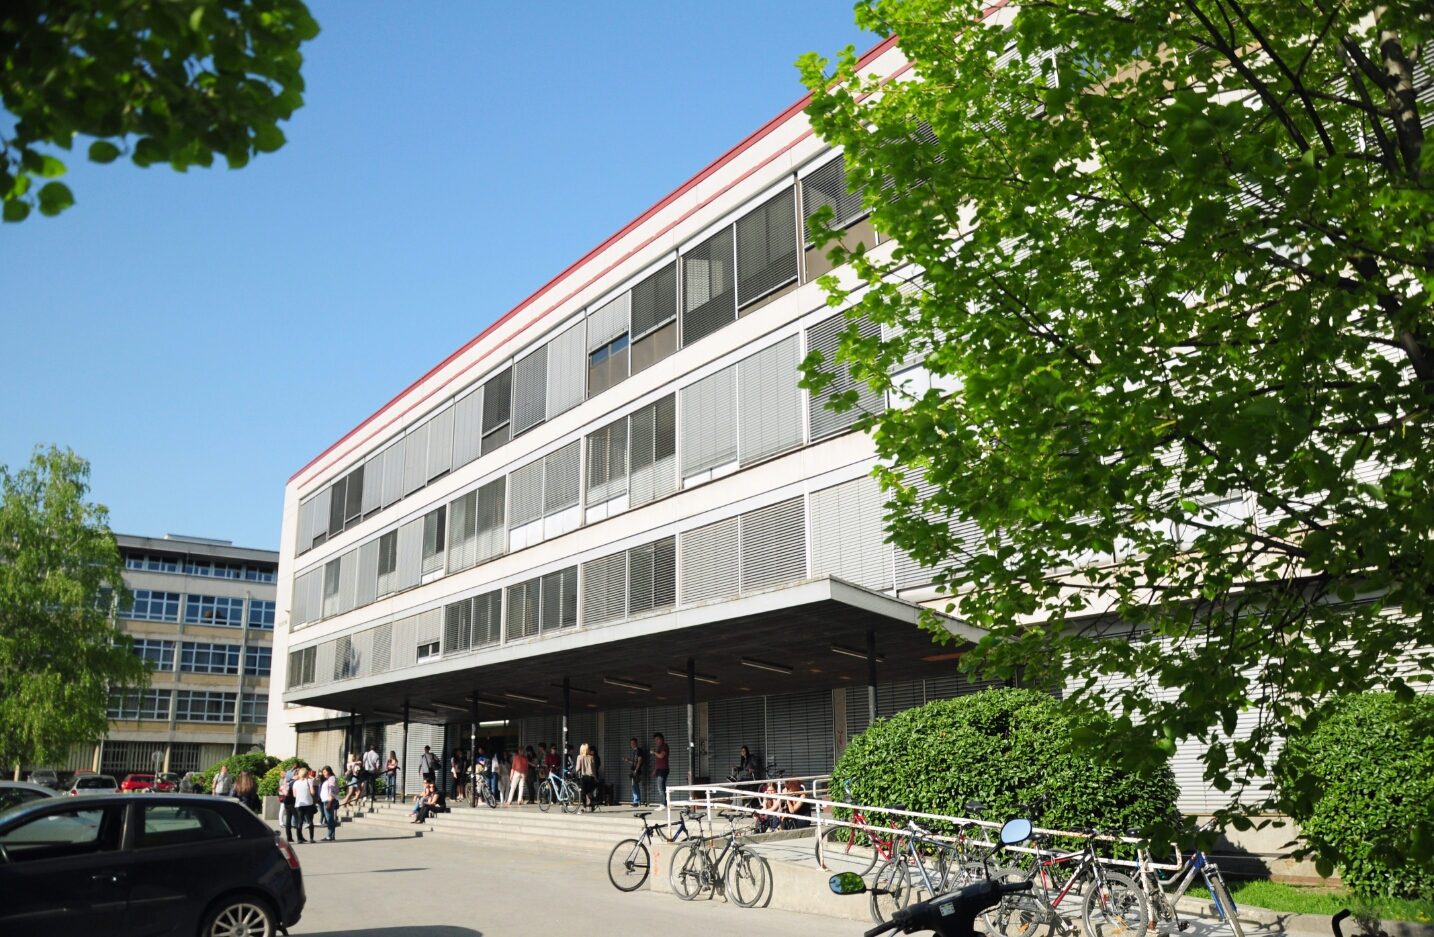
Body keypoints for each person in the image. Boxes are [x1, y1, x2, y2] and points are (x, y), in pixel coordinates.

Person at [292, 766, 317, 843]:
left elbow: (294, 795)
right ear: (306, 774)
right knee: (310, 821)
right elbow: (312, 792)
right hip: (308, 803)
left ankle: (299, 839)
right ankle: (311, 838)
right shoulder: (309, 781)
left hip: (299, 804)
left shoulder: (295, 783)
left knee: (300, 822)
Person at [624, 738, 647, 807]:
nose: (632, 744)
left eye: (634, 743)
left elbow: (639, 761)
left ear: (636, 743)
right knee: (634, 786)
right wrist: (628, 761)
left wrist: (636, 770)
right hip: (635, 770)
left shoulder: (639, 750)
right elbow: (635, 762)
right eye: (631, 743)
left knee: (634, 786)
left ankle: (636, 802)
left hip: (637, 771)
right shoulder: (635, 751)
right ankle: (637, 802)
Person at [575, 743, 598, 812]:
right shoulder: (591, 757)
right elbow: (594, 769)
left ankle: (584, 807)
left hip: (583, 777)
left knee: (583, 792)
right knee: (589, 791)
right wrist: (595, 777)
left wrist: (575, 771)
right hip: (591, 776)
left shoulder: (580, 757)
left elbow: (578, 768)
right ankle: (592, 801)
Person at [279, 764, 298, 842]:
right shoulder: (294, 782)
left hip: (286, 801)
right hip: (292, 802)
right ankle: (299, 836)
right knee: (298, 818)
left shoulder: (286, 782)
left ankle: (289, 837)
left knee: (288, 819)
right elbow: (295, 794)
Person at [319, 767, 340, 841]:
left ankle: (329, 835)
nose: (324, 773)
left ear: (329, 771)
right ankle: (331, 835)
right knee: (329, 817)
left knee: (329, 818)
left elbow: (332, 790)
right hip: (325, 800)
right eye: (323, 772)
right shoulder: (326, 780)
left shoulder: (332, 778)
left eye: (325, 772)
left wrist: (329, 802)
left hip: (330, 800)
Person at [651, 732, 670, 806]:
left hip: (663, 769)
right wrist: (655, 770)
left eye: (657, 739)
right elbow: (658, 761)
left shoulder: (664, 746)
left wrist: (654, 752)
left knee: (660, 787)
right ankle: (665, 802)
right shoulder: (659, 747)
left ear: (661, 738)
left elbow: (661, 756)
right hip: (659, 769)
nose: (656, 740)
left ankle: (663, 803)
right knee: (662, 786)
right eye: (655, 739)